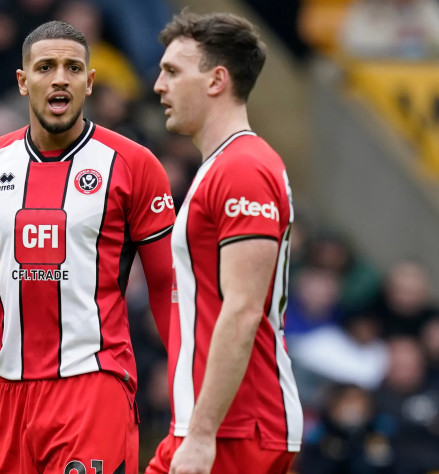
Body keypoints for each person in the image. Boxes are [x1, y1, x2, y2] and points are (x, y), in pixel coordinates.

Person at [0, 21, 175, 474]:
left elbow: (167, 284)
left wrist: (187, 383)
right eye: (46, 66)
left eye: (73, 68)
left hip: (93, 385)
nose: (59, 78)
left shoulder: (133, 165)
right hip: (11, 393)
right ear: (22, 81)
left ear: (89, 83)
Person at [147, 11, 303, 474]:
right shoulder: (226, 165)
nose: (158, 85)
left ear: (217, 80)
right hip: (217, 426)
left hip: (236, 429)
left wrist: (201, 434)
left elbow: (241, 308)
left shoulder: (242, 168)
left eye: (173, 71)